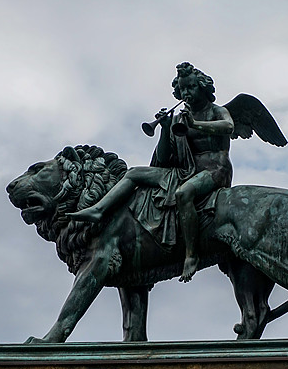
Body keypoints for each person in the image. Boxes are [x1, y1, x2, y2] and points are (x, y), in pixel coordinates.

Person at [70, 62, 234, 282]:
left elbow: (229, 127)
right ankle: (99, 209)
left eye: (191, 87)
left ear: (202, 87)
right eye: (183, 89)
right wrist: (165, 129)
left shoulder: (215, 111)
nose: (187, 92)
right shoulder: (179, 119)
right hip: (186, 171)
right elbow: (163, 160)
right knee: (134, 173)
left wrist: (195, 124)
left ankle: (191, 255)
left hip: (215, 170)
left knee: (184, 194)